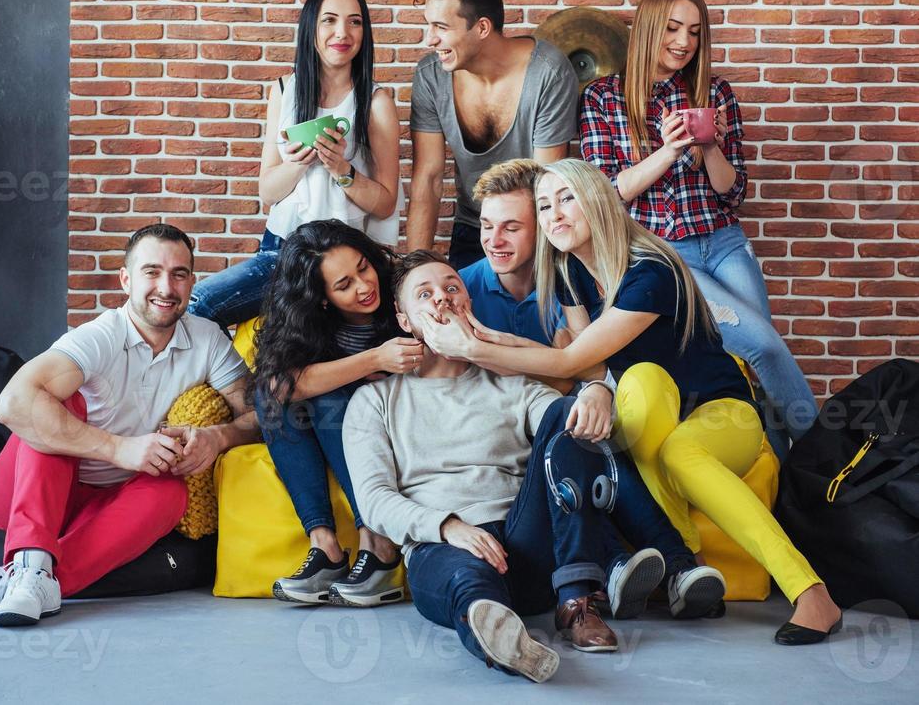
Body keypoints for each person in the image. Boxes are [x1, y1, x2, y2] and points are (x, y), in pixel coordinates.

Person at [421, 160, 843, 646]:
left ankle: (809, 591)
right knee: (636, 386)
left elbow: (573, 359)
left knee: (669, 431)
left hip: (721, 413)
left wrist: (472, 350)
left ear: (597, 199)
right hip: (647, 409)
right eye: (543, 205)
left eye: (565, 199)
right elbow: (585, 366)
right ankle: (681, 570)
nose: (553, 214)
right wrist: (489, 337)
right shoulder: (569, 272)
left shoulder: (651, 269)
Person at [343, 250, 713, 683]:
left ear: (469, 303)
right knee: (469, 585)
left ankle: (577, 602)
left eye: (451, 288)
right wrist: (448, 527)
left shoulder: (512, 383)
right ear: (404, 320)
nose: (442, 299)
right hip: (444, 548)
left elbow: (574, 436)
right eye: (424, 294)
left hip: (529, 543)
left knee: (567, 415)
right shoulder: (375, 400)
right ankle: (505, 639)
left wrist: (596, 391)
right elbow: (374, 500)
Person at [0, 224, 259, 627]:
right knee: (60, 401)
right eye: (151, 272)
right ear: (126, 279)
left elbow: (259, 418)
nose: (166, 286)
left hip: (102, 514)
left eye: (179, 274)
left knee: (169, 492)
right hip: (23, 501)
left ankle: (17, 580)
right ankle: (29, 562)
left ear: (191, 281)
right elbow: (12, 404)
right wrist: (119, 449)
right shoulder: (99, 336)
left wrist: (218, 437)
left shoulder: (208, 340)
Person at [460, 158, 727, 620]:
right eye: (486, 226)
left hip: (597, 418)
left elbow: (574, 364)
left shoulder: (589, 276)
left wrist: (597, 386)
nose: (495, 241)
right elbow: (580, 366)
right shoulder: (462, 289)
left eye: (512, 226)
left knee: (575, 424)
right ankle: (668, 562)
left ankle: (628, 569)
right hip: (517, 434)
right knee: (570, 422)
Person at [579, 0, 816, 458]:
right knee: (762, 350)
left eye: (694, 32)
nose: (684, 42)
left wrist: (709, 147)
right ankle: (822, 458)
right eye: (672, 28)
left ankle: (786, 478)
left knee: (757, 363)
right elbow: (607, 195)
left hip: (725, 243)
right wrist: (669, 150)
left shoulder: (715, 93)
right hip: (667, 255)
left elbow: (734, 193)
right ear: (648, 28)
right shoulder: (604, 98)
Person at [189, 0, 403, 329]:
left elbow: (385, 204)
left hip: (344, 258)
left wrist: (341, 168)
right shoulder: (285, 90)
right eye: (329, 20)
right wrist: (298, 163)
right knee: (198, 306)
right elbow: (267, 192)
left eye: (355, 22)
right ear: (311, 29)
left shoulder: (377, 103)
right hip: (281, 249)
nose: (342, 32)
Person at [252, 220, 420, 608]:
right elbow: (278, 387)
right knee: (277, 395)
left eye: (364, 267)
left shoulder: (401, 292)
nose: (364, 286)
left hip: (403, 421)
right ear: (321, 298)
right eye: (344, 285)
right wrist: (372, 359)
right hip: (343, 426)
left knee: (328, 396)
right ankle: (325, 546)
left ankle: (379, 546)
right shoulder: (308, 325)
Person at [406, 0, 577, 269]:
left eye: (441, 28)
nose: (429, 39)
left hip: (535, 229)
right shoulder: (431, 75)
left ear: (482, 27)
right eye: (429, 26)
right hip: (473, 226)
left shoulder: (548, 73)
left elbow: (545, 182)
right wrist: (412, 272)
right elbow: (428, 179)